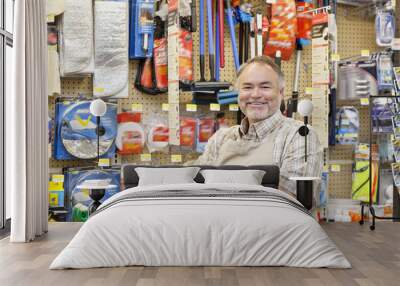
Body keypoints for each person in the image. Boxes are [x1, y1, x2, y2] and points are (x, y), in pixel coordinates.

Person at [190, 56, 323, 196]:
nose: (255, 94)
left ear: (281, 93)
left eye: (265, 87)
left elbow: (290, 202)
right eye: (247, 87)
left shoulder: (299, 136)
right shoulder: (219, 139)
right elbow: (195, 187)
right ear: (238, 94)